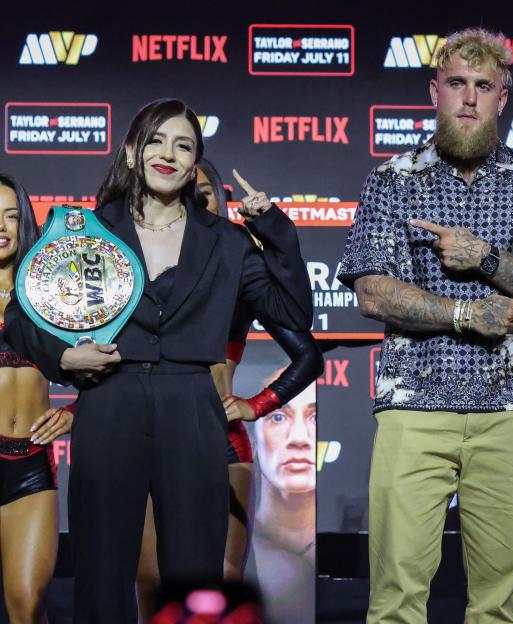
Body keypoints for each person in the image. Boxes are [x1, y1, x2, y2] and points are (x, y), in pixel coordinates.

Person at [1, 98, 313, 623]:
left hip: (192, 408)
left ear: (195, 164)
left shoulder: (228, 242)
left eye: (184, 145)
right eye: (157, 141)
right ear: (131, 152)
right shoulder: (88, 231)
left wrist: (274, 227)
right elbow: (19, 321)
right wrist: (66, 357)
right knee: (101, 576)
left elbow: (292, 311)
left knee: (194, 577)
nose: (168, 154)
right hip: (110, 402)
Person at [337, 27, 513, 624]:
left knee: (499, 603)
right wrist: (464, 313)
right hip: (413, 404)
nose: (469, 99)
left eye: (483, 86)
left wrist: (487, 258)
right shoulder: (392, 179)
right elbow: (372, 292)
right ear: (434, 92)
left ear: (503, 98)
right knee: (396, 597)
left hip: (511, 410)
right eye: (456, 84)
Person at [134, 160, 323, 622]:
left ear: (221, 200)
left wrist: (255, 405)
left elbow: (308, 353)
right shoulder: (144, 266)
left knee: (219, 587)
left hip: (220, 439)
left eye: (205, 194)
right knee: (152, 581)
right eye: (187, 195)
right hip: (152, 435)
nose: (197, 203)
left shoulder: (238, 266)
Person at [0, 174, 70, 624]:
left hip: (29, 465)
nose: (1, 227)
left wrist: (75, 413)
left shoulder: (48, 294)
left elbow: (118, 365)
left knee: (28, 603)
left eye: (10, 216)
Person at [246, 375, 317, 624]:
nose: (299, 438)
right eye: (278, 417)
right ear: (254, 440)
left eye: (314, 418)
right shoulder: (228, 545)